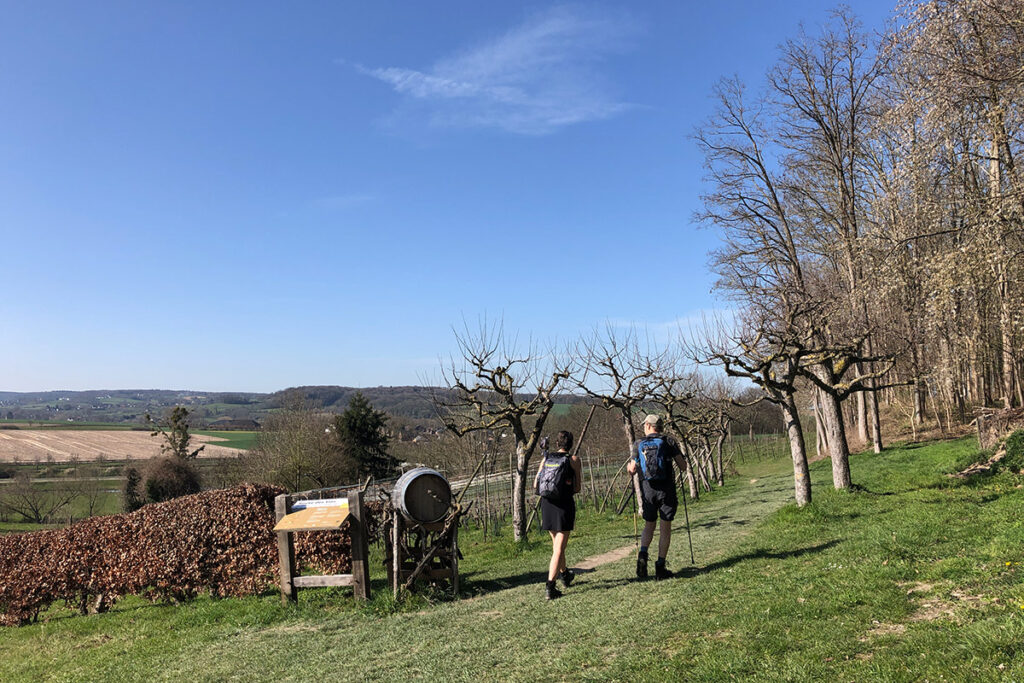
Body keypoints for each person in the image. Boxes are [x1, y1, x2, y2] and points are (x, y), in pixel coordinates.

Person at [626, 414, 687, 580]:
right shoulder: (669, 441)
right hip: (666, 490)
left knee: (649, 524)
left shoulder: (638, 443)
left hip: (648, 490)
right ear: (660, 426)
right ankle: (660, 567)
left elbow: (631, 469)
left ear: (647, 425)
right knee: (665, 527)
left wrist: (632, 467)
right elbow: (683, 467)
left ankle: (642, 556)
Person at [534, 430, 582, 600]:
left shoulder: (546, 459)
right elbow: (577, 488)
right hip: (564, 506)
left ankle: (566, 574)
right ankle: (550, 586)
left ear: (557, 443)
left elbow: (536, 484)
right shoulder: (574, 460)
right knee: (558, 549)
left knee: (557, 546)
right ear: (571, 444)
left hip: (547, 505)